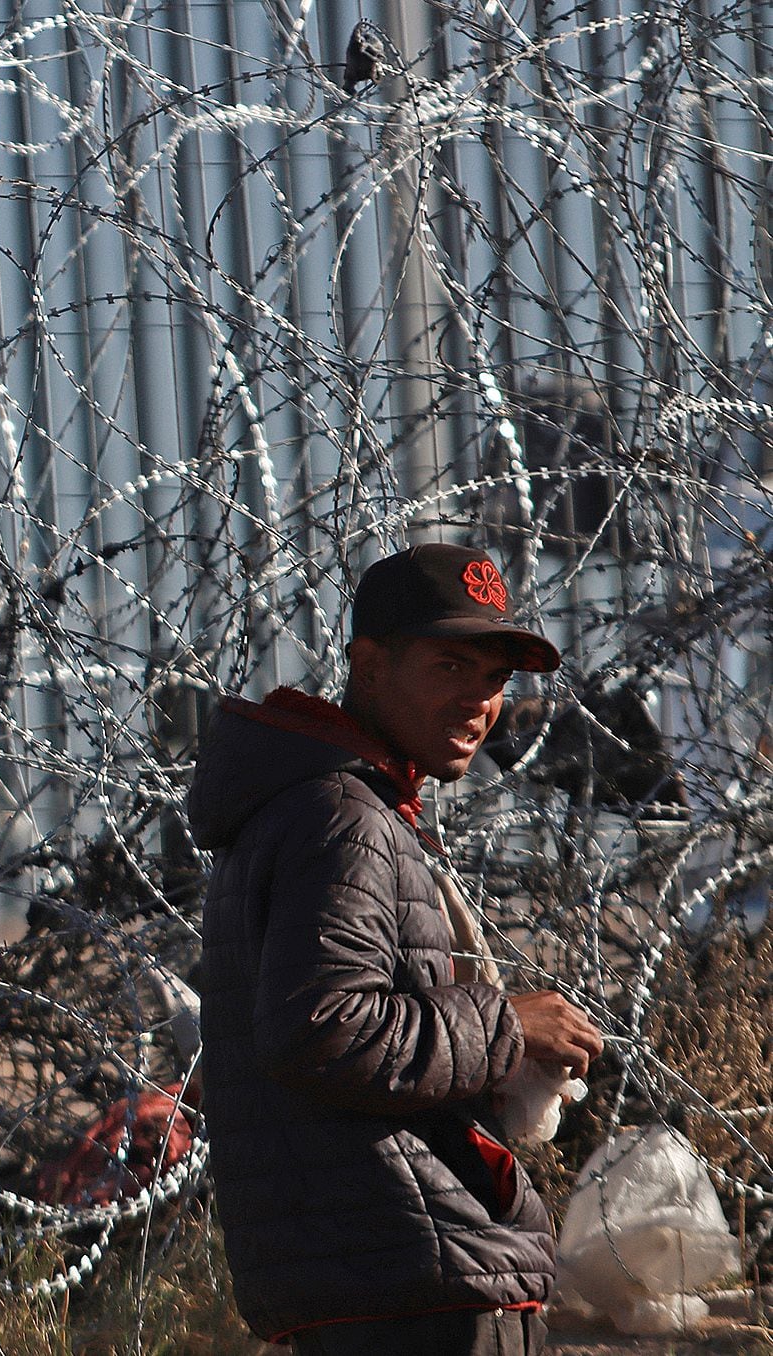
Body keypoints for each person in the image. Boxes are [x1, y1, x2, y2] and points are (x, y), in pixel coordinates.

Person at [189, 542, 606, 1355]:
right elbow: (322, 1028)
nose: (479, 702)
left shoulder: (330, 804)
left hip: (384, 1273)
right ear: (368, 665)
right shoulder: (342, 817)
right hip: (410, 1291)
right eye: (450, 666)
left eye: (494, 680)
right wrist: (507, 1027)